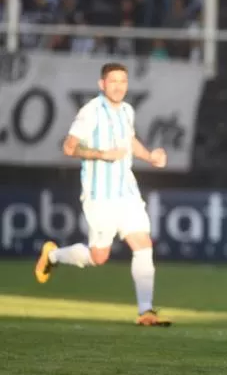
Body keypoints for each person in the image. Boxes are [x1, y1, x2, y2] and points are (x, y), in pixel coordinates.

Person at [33, 63, 171, 327]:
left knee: (143, 245)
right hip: (100, 196)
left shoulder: (127, 110)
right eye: (113, 81)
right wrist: (102, 154)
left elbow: (129, 141)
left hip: (127, 192)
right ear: (102, 85)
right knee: (99, 257)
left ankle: (146, 311)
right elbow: (69, 148)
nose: (118, 86)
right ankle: (52, 256)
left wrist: (150, 156)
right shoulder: (91, 112)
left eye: (123, 81)